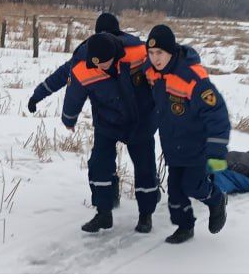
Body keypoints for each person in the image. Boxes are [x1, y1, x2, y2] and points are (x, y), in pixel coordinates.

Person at [27, 13, 159, 233]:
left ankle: (146, 214)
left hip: (141, 120)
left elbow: (167, 68)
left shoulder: (139, 52)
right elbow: (69, 86)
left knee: (145, 168)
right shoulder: (85, 60)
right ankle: (103, 213)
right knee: (99, 165)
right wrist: (43, 100)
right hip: (107, 121)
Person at [145, 24, 230, 245]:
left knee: (193, 186)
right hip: (173, 146)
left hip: (197, 147)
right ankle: (185, 227)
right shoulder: (153, 72)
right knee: (175, 193)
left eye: (160, 53)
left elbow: (217, 113)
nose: (155, 58)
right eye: (151, 53)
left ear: (171, 51)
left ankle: (216, 199)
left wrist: (216, 152)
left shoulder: (191, 78)